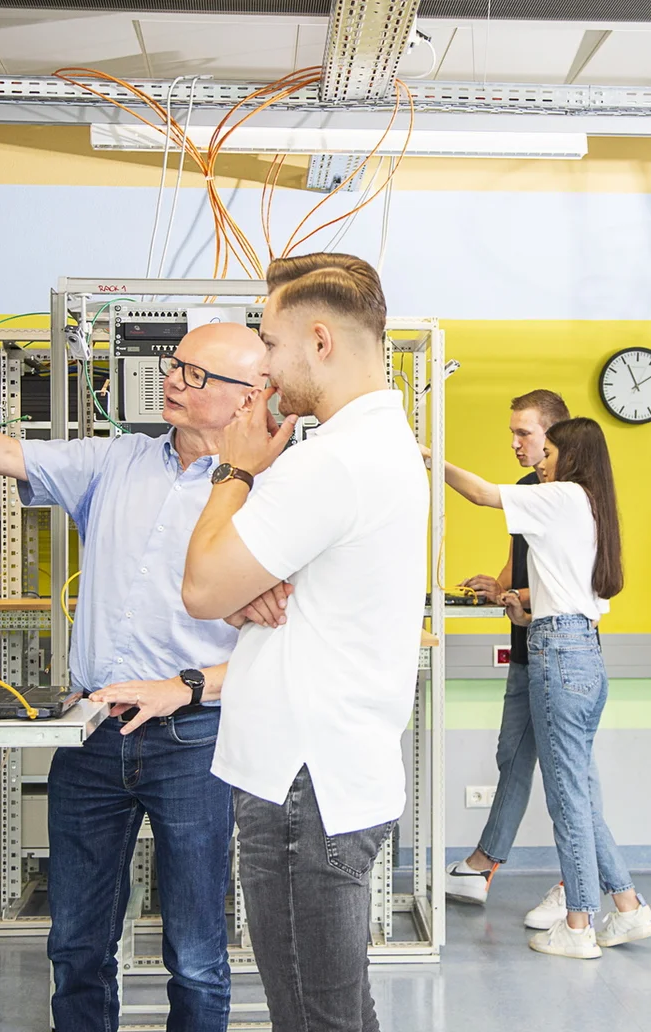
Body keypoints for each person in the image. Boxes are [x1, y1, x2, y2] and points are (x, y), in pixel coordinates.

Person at [0, 322, 272, 1032]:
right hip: (92, 733)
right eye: (177, 366)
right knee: (76, 944)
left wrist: (186, 685)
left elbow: (289, 650)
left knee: (198, 954)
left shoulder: (270, 496)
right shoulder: (116, 463)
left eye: (198, 376)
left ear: (250, 399)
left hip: (196, 740)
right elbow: (2, 452)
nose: (174, 380)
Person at [177, 253, 427, 1032]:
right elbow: (235, 592)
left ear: (320, 340)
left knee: (315, 1021)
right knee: (341, 1010)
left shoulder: (333, 462)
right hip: (330, 774)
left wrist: (237, 472)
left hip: (302, 785)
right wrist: (243, 582)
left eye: (272, 343)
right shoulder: (375, 447)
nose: (266, 369)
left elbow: (202, 589)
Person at [437, 417, 651, 960]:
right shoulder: (592, 505)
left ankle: (580, 926)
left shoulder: (561, 495)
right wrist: (520, 603)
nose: (539, 458)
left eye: (547, 449)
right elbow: (574, 594)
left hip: (557, 655)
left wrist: (428, 457)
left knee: (567, 800)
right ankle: (629, 908)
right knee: (579, 793)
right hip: (580, 648)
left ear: (569, 454)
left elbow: (482, 494)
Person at [444, 389, 576, 933]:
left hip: (561, 648)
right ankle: (483, 864)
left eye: (525, 433)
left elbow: (578, 577)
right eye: (513, 434)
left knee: (570, 779)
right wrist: (497, 586)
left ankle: (580, 889)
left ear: (555, 434)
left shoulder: (574, 494)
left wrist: (431, 460)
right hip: (528, 645)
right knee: (512, 756)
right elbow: (522, 554)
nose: (517, 443)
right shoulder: (529, 489)